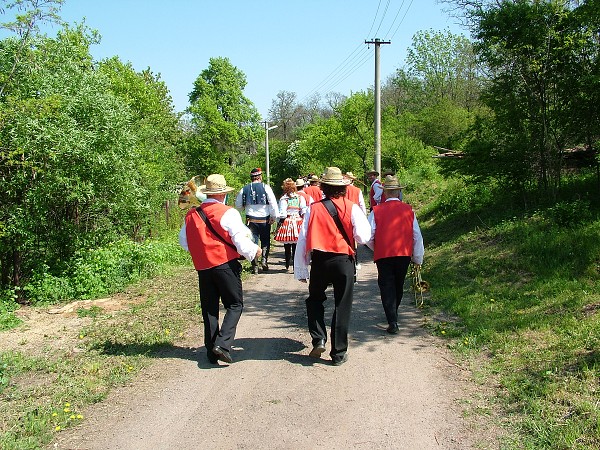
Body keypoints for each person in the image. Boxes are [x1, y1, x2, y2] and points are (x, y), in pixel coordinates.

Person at [179, 174, 261, 364]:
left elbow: (184, 241)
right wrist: (253, 251)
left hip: (203, 268)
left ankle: (211, 352)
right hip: (225, 266)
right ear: (223, 193)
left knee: (209, 309)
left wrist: (203, 250)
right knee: (234, 305)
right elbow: (240, 241)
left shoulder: (191, 214)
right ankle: (222, 345)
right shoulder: (228, 212)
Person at [294, 167, 371, 366]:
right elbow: (363, 236)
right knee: (342, 304)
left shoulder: (314, 208)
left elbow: (302, 239)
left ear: (324, 188)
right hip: (343, 260)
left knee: (315, 300)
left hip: (320, 260)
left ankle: (318, 338)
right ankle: (338, 353)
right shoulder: (352, 207)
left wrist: (301, 268)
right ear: (343, 187)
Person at [366, 175, 424, 334]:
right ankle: (393, 314)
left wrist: (376, 248)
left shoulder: (376, 211)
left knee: (386, 286)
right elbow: (416, 235)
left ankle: (392, 319)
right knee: (398, 285)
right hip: (403, 254)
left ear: (385, 193)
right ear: (398, 192)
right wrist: (417, 257)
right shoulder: (408, 210)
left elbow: (368, 236)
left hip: (383, 254)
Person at [235, 167, 279, 274]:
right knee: (265, 240)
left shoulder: (244, 189)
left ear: (251, 178)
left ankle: (255, 265)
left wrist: (245, 208)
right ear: (260, 177)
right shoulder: (266, 187)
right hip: (264, 220)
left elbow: (238, 205)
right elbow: (273, 203)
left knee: (252, 241)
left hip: (251, 220)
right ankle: (264, 260)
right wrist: (274, 216)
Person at [275, 178, 307, 273]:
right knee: (296, 245)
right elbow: (303, 210)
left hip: (287, 221)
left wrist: (278, 223)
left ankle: (287, 263)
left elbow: (283, 214)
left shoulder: (283, 199)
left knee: (287, 244)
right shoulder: (299, 197)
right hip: (297, 221)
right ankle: (295, 265)